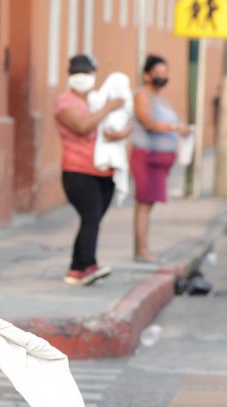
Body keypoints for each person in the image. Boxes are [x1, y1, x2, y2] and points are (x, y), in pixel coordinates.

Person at [54, 54, 131, 286]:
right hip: (78, 171)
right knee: (91, 217)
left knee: (93, 219)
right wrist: (109, 107)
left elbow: (125, 120)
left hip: (105, 171)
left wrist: (121, 132)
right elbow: (82, 125)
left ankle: (76, 269)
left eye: (86, 73)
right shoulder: (65, 102)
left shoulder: (98, 98)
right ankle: (89, 265)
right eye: (77, 73)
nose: (82, 78)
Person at [131, 55, 191, 263]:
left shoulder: (161, 98)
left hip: (160, 161)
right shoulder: (142, 95)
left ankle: (144, 249)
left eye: (165, 73)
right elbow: (148, 122)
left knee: (149, 205)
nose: (162, 77)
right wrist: (175, 128)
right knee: (143, 205)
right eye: (158, 73)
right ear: (147, 75)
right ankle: (142, 250)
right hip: (147, 157)